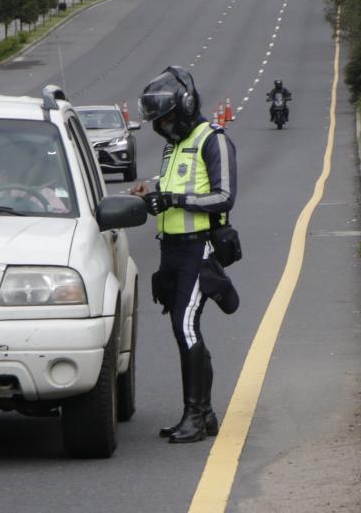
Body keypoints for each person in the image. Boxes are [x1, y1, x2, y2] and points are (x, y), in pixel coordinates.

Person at [131, 65, 238, 444]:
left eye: (169, 119)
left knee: (186, 327)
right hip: (171, 251)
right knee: (183, 328)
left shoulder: (214, 139)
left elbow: (224, 196)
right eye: (160, 122)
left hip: (199, 249)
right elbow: (170, 184)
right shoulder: (173, 147)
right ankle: (204, 415)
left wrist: (174, 199)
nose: (164, 127)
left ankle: (195, 415)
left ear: (187, 106)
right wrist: (150, 190)